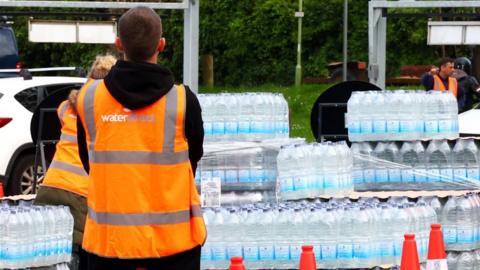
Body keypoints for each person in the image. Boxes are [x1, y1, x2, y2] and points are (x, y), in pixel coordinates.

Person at [75, 6, 206, 270]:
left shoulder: (89, 99)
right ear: (162, 44)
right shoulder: (183, 101)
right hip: (173, 247)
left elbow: (89, 161)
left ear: (118, 44)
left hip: (107, 247)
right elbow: (192, 159)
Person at [34, 54, 117, 269]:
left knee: (47, 253)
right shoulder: (107, 111)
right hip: (80, 194)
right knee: (74, 255)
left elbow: (63, 112)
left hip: (49, 186)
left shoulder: (66, 107)